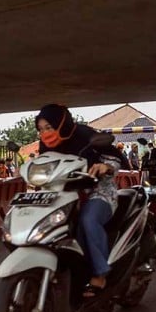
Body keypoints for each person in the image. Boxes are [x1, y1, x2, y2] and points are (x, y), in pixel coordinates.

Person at [35, 104, 125, 298]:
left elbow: (116, 157)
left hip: (98, 190)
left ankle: (100, 274)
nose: (45, 133)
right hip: (63, 194)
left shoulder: (86, 134)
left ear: (62, 124)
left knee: (88, 220)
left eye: (49, 127)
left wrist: (105, 166)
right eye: (41, 129)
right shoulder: (45, 145)